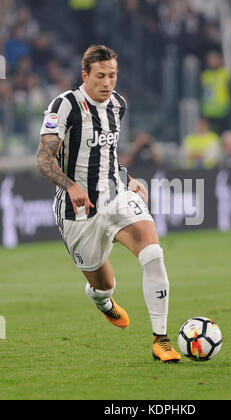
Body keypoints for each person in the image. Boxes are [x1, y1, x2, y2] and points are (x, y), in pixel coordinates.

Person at [36, 45, 180, 363]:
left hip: (117, 197)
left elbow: (109, 155)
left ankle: (161, 340)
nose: (107, 83)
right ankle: (102, 301)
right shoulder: (64, 106)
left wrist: (128, 180)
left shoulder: (118, 105)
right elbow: (43, 160)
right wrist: (70, 186)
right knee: (104, 285)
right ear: (85, 75)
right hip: (78, 213)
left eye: (112, 75)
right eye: (100, 76)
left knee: (153, 254)